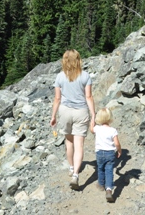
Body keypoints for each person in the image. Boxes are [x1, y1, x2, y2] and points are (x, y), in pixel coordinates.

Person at [50, 49, 96, 190]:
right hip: (81, 112)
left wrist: (53, 116)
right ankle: (76, 174)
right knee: (79, 145)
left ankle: (71, 167)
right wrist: (93, 115)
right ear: (78, 60)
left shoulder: (59, 77)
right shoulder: (85, 76)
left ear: (64, 60)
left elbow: (57, 98)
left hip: (65, 111)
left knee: (68, 142)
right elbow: (88, 97)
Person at [90, 107, 122, 202]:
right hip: (110, 153)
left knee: (100, 168)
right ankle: (108, 189)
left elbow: (91, 130)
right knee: (109, 170)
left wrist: (92, 120)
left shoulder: (97, 128)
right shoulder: (113, 130)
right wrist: (119, 150)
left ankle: (101, 184)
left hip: (99, 152)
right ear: (110, 118)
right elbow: (116, 143)